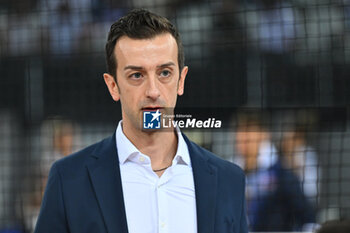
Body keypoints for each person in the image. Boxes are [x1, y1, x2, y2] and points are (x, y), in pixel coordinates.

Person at [34, 9, 248, 233]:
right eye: (137, 75)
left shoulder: (228, 180)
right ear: (113, 86)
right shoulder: (69, 179)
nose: (153, 91)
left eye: (164, 73)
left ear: (181, 80)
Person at [234, 111, 315, 231]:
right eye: (240, 131)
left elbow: (307, 217)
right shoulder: (231, 171)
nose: (243, 137)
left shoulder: (281, 172)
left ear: (264, 134)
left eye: (249, 130)